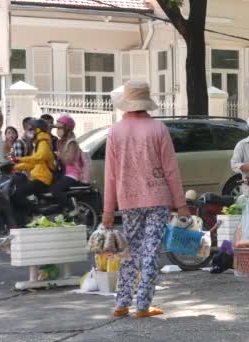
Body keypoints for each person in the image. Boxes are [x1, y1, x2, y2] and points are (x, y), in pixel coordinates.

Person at [102, 80, 189, 319]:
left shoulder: (115, 131)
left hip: (128, 200)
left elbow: (110, 174)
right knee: (151, 251)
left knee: (129, 251)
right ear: (146, 103)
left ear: (126, 104)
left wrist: (108, 209)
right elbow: (171, 169)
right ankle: (142, 305)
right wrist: (181, 204)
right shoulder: (158, 128)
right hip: (158, 197)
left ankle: (121, 304)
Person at [11, 119, 55, 227]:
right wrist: (13, 167)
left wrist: (20, 160)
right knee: (15, 190)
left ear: (38, 130)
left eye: (31, 129)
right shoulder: (38, 143)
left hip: (42, 179)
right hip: (36, 177)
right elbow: (32, 165)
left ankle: (38, 212)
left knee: (17, 194)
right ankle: (22, 221)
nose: (29, 132)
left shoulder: (43, 142)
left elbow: (37, 158)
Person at [49, 115, 86, 216]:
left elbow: (69, 160)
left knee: (56, 189)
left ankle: (72, 207)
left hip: (73, 174)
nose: (58, 130)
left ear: (67, 129)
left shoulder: (71, 143)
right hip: (65, 173)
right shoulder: (60, 142)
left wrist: (59, 155)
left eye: (60, 128)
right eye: (57, 128)